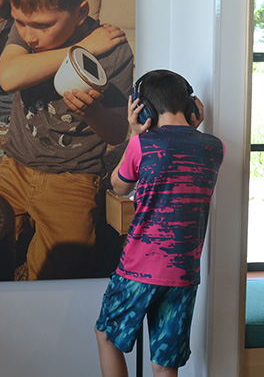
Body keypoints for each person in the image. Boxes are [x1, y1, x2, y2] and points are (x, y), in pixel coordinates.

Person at [0, 0, 134, 280]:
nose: (29, 35)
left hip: (74, 176)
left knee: (62, 270)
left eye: (41, 26)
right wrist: (80, 48)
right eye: (19, 21)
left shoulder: (113, 52)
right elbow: (8, 77)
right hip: (16, 164)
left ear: (81, 11)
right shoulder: (26, 29)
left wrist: (92, 113)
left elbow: (115, 132)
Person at [94, 69, 225, 377]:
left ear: (145, 108)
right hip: (184, 273)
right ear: (191, 106)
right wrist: (195, 127)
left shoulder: (143, 145)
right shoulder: (214, 148)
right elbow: (186, 151)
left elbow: (119, 186)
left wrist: (133, 135)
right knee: (165, 361)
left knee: (107, 335)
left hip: (139, 268)